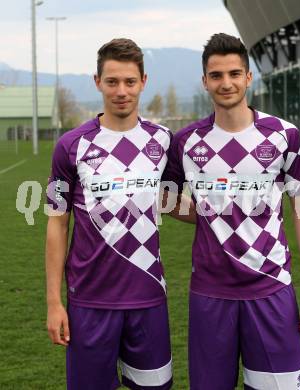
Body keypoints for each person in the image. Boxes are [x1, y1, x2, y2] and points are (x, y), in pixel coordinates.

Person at [162, 33, 300, 390]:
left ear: (248, 77)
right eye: (216, 75)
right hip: (210, 292)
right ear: (205, 81)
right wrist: (206, 213)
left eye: (234, 73)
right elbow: (165, 197)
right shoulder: (186, 141)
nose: (226, 83)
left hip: (271, 287)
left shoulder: (284, 135)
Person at [45, 38, 174, 390]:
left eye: (130, 82)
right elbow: (57, 222)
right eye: (112, 81)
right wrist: (55, 302)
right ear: (97, 81)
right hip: (89, 301)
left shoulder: (163, 141)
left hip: (148, 295)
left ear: (143, 82)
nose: (121, 91)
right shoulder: (70, 146)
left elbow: (177, 200)